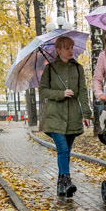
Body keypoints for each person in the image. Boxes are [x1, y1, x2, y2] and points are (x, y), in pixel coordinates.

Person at [39, 36, 91, 198]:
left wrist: (87, 114)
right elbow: (43, 91)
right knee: (62, 149)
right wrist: (61, 93)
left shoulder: (78, 68)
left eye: (72, 47)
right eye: (67, 48)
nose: (70, 51)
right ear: (58, 50)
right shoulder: (50, 69)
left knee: (67, 152)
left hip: (73, 115)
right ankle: (67, 180)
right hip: (55, 115)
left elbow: (83, 91)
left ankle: (61, 186)